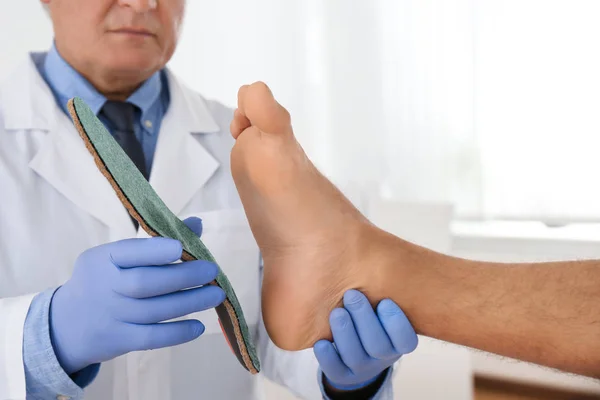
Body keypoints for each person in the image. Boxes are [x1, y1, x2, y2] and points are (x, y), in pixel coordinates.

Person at [0, 1, 419, 399]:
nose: (144, 4)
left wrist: (349, 375)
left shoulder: (242, 139)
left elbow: (286, 339)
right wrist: (46, 334)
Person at [229, 81, 600, 380]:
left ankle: (373, 269)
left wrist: (355, 385)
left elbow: (278, 348)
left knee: (342, 292)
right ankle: (372, 267)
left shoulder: (221, 131)